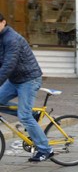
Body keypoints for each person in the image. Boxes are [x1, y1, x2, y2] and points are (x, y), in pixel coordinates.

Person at [0, 13, 54, 162]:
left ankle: (45, 149)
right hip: (14, 79)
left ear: (3, 22)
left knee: (24, 115)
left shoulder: (12, 39)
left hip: (29, 79)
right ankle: (33, 115)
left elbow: (8, 65)